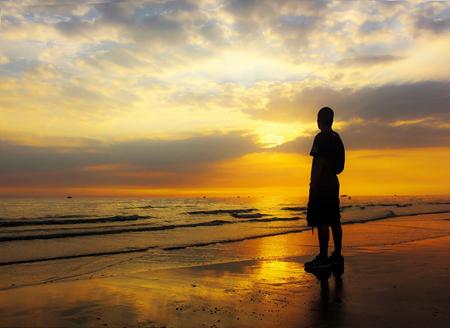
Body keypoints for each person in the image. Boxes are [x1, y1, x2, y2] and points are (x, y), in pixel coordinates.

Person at [304, 107, 345, 272]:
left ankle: (323, 258)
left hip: (322, 185)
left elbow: (318, 161)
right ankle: (337, 256)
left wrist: (313, 183)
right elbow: (340, 167)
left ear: (319, 120)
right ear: (332, 120)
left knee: (322, 221)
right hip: (334, 183)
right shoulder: (337, 138)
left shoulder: (320, 138)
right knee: (334, 219)